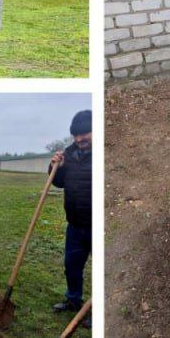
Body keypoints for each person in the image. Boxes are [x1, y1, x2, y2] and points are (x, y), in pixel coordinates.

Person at [51, 110, 92, 320]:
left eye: (84, 134)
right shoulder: (68, 154)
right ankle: (73, 299)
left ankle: (95, 312)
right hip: (74, 225)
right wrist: (55, 166)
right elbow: (57, 182)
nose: (79, 139)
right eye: (75, 135)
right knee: (72, 267)